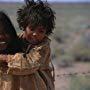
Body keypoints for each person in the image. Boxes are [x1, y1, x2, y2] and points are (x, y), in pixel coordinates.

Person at [0, 0, 56, 90]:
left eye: (41, 31)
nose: (35, 34)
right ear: (24, 26)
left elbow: (29, 64)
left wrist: (4, 58)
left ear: (46, 32)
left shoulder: (43, 47)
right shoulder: (17, 40)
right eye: (32, 28)